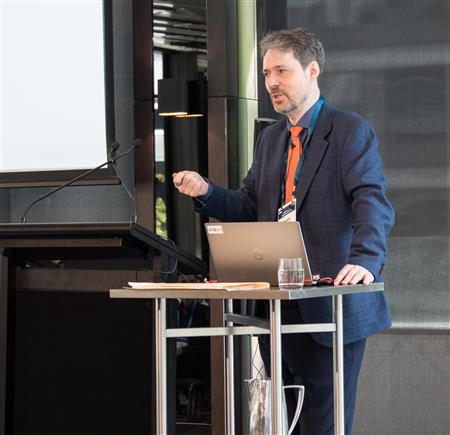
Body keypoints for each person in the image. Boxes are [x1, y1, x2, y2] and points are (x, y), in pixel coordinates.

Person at [172, 27, 394, 435]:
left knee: (323, 425)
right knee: (286, 421)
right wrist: (206, 192)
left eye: (282, 71)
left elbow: (372, 201)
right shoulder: (270, 138)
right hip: (277, 304)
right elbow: (248, 205)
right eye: (266, 73)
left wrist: (365, 260)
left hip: (328, 304)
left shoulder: (349, 131)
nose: (271, 82)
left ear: (312, 70)